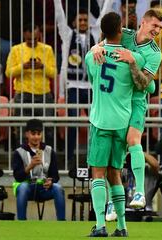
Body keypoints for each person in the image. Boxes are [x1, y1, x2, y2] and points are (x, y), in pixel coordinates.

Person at [91, 8, 162, 210]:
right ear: (144, 22)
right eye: (154, 25)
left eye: (160, 27)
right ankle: (113, 203)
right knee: (115, 157)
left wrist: (133, 63)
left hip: (136, 101)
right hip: (117, 99)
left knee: (133, 140)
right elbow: (106, 39)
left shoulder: (155, 53)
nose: (157, 30)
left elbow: (144, 85)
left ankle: (140, 192)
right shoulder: (125, 35)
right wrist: (96, 47)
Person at [85, 12, 148, 237]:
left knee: (99, 174)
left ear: (102, 32)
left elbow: (93, 79)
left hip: (101, 121)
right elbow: (145, 86)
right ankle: (122, 226)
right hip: (123, 123)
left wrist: (96, 47)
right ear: (121, 30)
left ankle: (101, 225)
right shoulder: (135, 58)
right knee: (116, 174)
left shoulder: (92, 56)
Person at [54, 0, 110, 169]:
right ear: (74, 22)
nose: (84, 22)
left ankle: (96, 156)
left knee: (97, 122)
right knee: (72, 121)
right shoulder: (67, 34)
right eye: (80, 20)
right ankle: (70, 157)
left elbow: (105, 13)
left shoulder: (96, 35)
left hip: (92, 86)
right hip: (73, 86)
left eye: (86, 20)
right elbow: (59, 17)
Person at [5, 23, 57, 147]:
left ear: (39, 34)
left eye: (35, 39)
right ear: (24, 35)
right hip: (23, 93)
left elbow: (54, 73)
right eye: (29, 39)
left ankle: (46, 160)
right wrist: (23, 66)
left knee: (47, 130)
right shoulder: (16, 49)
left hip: (44, 94)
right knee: (21, 130)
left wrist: (42, 67)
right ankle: (22, 161)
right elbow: (8, 72)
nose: (32, 42)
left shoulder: (47, 49)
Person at [12, 119, 65, 221]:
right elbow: (18, 177)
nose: (36, 137)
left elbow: (55, 176)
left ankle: (61, 222)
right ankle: (21, 222)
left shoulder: (49, 151)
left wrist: (51, 181)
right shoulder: (19, 152)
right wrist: (30, 166)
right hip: (27, 188)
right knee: (23, 187)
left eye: (39, 134)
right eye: (33, 134)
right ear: (27, 134)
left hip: (44, 188)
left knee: (58, 188)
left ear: (42, 134)